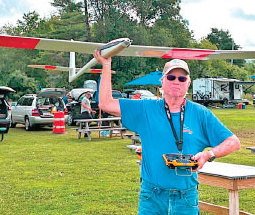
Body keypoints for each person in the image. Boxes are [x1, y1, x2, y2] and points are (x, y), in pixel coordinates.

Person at [95, 51, 241, 214]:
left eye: (182, 78)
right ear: (162, 81)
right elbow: (106, 103)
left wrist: (208, 155)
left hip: (185, 198)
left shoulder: (201, 113)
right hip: (152, 196)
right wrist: (106, 66)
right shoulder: (146, 108)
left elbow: (234, 142)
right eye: (171, 77)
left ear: (188, 83)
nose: (176, 81)